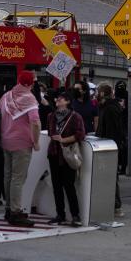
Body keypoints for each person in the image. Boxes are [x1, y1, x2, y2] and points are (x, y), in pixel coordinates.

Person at [0, 71, 41, 227]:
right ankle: (16, 212)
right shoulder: (29, 99)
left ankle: (9, 208)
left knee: (8, 176)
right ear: (30, 84)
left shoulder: (6, 96)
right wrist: (36, 141)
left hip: (6, 141)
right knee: (18, 178)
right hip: (22, 144)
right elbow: (35, 122)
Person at [47, 92, 85, 226]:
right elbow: (50, 133)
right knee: (56, 186)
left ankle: (75, 215)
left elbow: (80, 134)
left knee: (69, 185)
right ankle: (60, 214)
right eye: (57, 99)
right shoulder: (51, 116)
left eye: (61, 99)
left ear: (67, 101)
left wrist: (63, 139)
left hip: (68, 154)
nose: (57, 101)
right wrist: (55, 138)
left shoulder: (75, 117)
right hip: (54, 153)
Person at [95, 83, 125, 217]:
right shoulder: (105, 107)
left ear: (102, 93)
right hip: (107, 145)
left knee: (111, 177)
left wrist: (109, 146)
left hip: (110, 147)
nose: (95, 93)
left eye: (97, 91)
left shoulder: (110, 109)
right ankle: (111, 204)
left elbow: (113, 132)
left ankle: (116, 206)